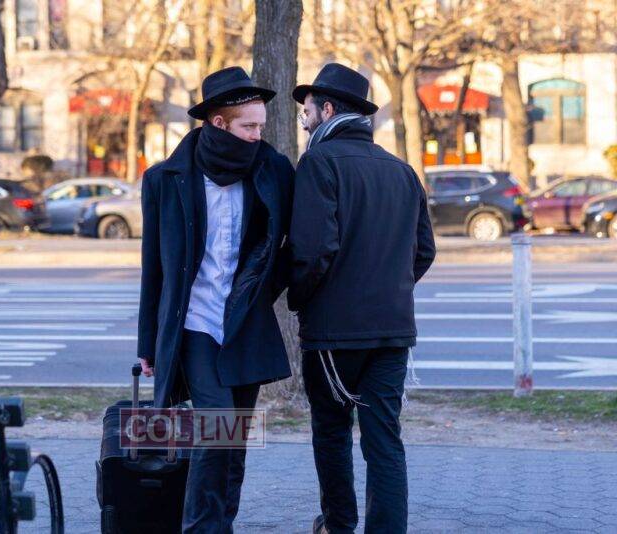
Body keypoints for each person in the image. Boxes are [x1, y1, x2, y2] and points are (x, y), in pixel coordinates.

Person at [136, 66, 295, 533]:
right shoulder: (165, 179)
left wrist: (263, 289)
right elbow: (154, 268)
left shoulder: (272, 170)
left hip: (245, 323)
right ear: (218, 123)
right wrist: (149, 342)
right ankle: (200, 527)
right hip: (195, 324)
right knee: (216, 427)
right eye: (249, 126)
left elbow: (290, 244)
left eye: (261, 125)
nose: (258, 135)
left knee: (235, 437)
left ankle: (221, 523)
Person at [288, 63, 436, 534]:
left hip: (334, 331)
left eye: (307, 112)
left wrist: (301, 300)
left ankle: (338, 525)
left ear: (328, 109)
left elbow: (313, 252)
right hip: (393, 330)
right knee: (384, 439)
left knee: (332, 432)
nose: (305, 122)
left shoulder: (319, 163)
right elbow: (424, 251)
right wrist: (390, 287)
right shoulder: (402, 170)